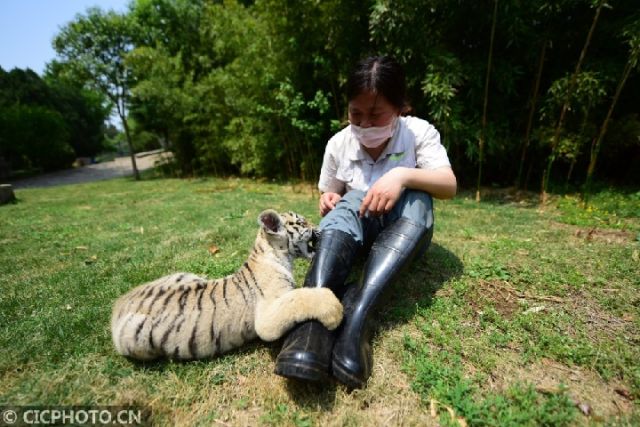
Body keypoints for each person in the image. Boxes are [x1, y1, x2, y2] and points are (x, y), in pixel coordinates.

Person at [274, 55, 457, 389]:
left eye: (376, 114)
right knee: (352, 198)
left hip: (405, 232)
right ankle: (310, 321)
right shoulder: (338, 144)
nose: (364, 124)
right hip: (356, 233)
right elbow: (329, 197)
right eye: (355, 114)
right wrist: (328, 200)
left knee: (419, 197)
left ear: (401, 107)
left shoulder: (418, 133)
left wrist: (402, 175)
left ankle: (359, 318)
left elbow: (448, 184)